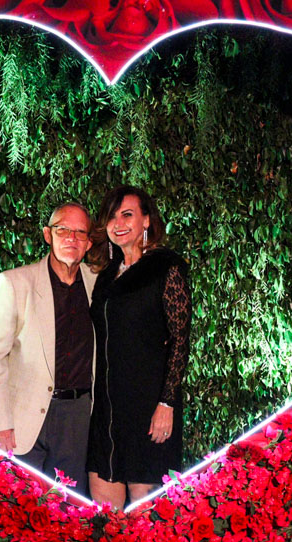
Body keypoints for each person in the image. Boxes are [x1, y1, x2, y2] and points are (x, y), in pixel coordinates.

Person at [86, 186, 191, 508]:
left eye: (127, 215)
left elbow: (180, 339)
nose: (118, 223)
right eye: (112, 217)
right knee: (104, 508)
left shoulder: (166, 266)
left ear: (146, 220)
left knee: (143, 506)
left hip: (149, 406)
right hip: (107, 407)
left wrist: (166, 403)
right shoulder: (107, 274)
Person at [0, 203, 96, 495]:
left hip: (77, 419)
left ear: (89, 242)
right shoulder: (14, 283)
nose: (71, 238)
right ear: (48, 234)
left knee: (69, 511)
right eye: (63, 229)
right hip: (23, 420)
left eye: (80, 232)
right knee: (19, 508)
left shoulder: (99, 286)